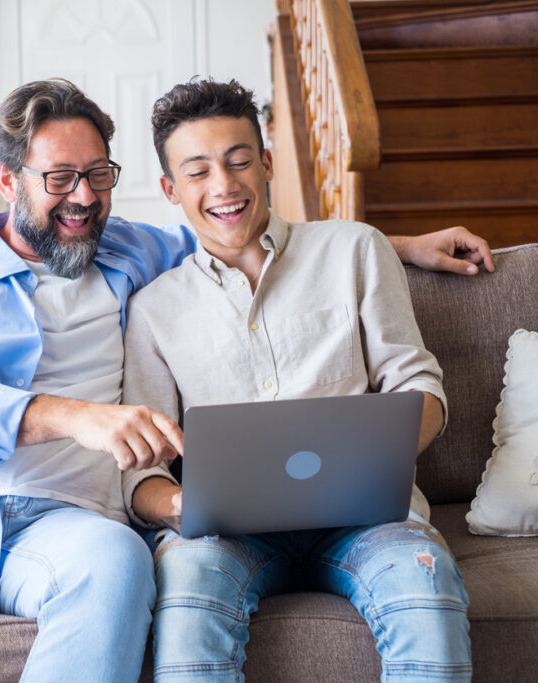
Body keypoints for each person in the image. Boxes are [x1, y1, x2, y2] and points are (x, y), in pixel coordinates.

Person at [0, 78, 490, 682]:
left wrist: (400, 247)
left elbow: (244, 233)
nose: (83, 198)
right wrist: (72, 416)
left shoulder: (130, 251)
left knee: (119, 570)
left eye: (98, 174)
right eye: (59, 177)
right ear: (8, 181)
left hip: (65, 520)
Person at [123, 77, 476, 681]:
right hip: (229, 537)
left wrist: (375, 459)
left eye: (239, 162)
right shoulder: (155, 309)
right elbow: (140, 474)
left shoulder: (354, 250)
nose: (224, 186)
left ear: (266, 163)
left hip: (371, 520)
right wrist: (179, 505)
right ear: (170, 189)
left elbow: (421, 387)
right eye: (199, 171)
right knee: (186, 581)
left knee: (425, 578)